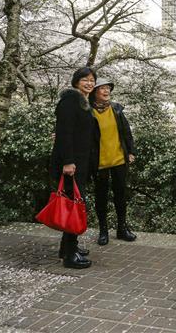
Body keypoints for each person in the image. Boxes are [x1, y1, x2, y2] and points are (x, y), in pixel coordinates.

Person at [50, 66, 99, 269]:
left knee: (74, 202)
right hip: (71, 164)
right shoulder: (70, 101)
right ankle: (70, 256)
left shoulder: (84, 103)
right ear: (76, 81)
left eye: (92, 80)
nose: (89, 83)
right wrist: (68, 161)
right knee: (73, 206)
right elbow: (65, 133)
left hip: (80, 162)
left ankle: (68, 247)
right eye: (84, 79)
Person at [90, 77, 137, 245]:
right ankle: (103, 230)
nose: (106, 91)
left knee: (121, 194)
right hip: (99, 161)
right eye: (102, 88)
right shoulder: (88, 111)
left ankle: (122, 228)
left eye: (108, 88)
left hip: (118, 158)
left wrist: (130, 152)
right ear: (94, 92)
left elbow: (126, 132)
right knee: (101, 196)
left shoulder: (116, 109)